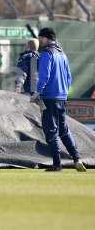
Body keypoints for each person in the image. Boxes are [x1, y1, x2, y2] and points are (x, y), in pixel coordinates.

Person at [30, 27, 86, 172]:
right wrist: (64, 93)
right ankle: (77, 159)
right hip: (61, 97)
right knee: (63, 130)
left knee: (51, 130)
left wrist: (37, 92)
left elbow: (44, 76)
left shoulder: (46, 54)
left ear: (45, 38)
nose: (39, 40)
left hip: (49, 97)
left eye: (40, 38)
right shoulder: (62, 54)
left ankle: (57, 165)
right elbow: (69, 78)